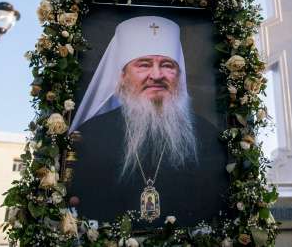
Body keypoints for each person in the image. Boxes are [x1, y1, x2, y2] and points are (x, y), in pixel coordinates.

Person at [69, 16, 227, 227]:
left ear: (179, 76)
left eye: (167, 65)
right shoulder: (91, 134)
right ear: (123, 76)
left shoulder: (206, 135)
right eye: (143, 65)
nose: (156, 74)